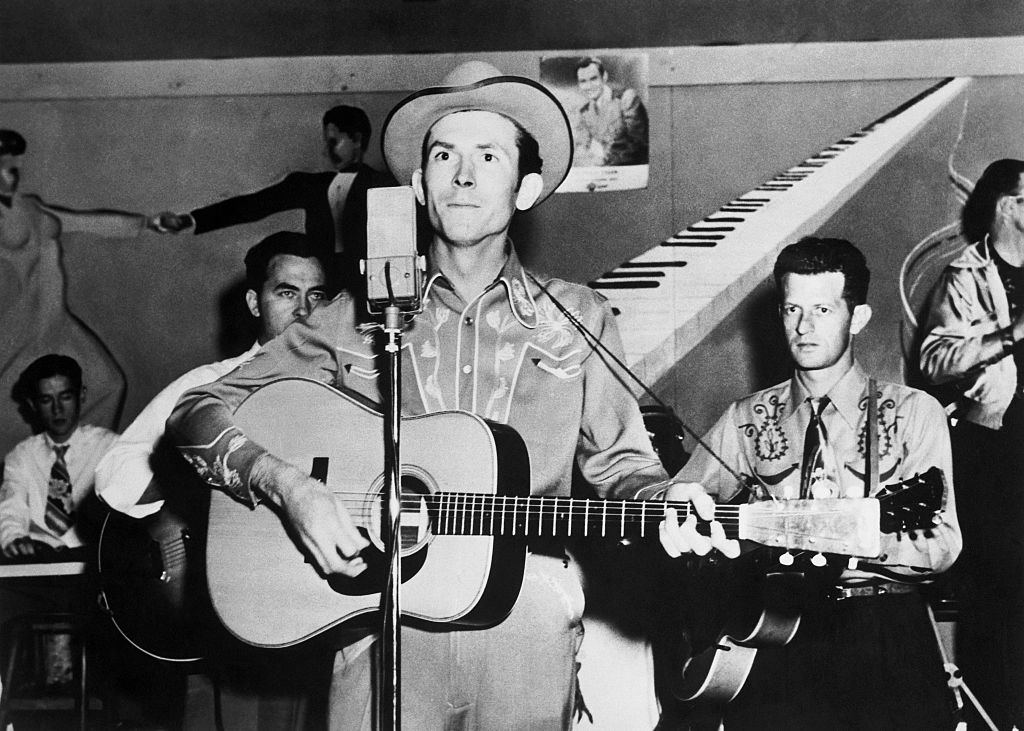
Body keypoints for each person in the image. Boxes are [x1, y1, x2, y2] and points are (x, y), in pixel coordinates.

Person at [167, 61, 729, 730]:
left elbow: (621, 466)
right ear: (417, 184)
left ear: (524, 189)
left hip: (527, 617)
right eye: (443, 155)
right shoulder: (353, 317)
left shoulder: (578, 318)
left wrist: (665, 501)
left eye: (488, 155)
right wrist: (286, 485)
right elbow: (195, 412)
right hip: (380, 626)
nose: (463, 175)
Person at [662, 237, 962, 729]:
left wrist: (854, 537)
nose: (803, 327)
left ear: (857, 318)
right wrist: (698, 546)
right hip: (775, 642)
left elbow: (942, 544)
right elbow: (680, 511)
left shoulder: (913, 413)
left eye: (822, 309)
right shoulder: (744, 419)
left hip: (886, 636)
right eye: (791, 309)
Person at [94, 231, 330, 731]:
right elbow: (115, 473)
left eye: (317, 296)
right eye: (287, 293)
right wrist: (200, 490)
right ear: (253, 301)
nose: (305, 312)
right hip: (230, 607)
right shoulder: (209, 386)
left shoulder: (348, 388)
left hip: (316, 606)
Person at [919, 158, 1024, 730]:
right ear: (1010, 206)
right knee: (1000, 596)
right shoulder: (966, 274)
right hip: (995, 451)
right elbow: (935, 360)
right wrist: (1013, 331)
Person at [0, 129, 161, 460]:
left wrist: (148, 223)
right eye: (0, 169)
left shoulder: (31, 207)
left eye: (13, 169)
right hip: (21, 328)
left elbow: (86, 222)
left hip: (57, 323)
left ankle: (75, 467)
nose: (9, 178)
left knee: (109, 385)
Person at [155, 105, 396, 290]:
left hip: (366, 288)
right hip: (317, 287)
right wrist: (189, 220)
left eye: (334, 141)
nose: (327, 150)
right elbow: (252, 205)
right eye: (326, 142)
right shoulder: (310, 185)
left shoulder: (384, 185)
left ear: (357, 140)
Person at [0, 354, 117, 557]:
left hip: (96, 560)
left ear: (81, 395)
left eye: (66, 396)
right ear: (32, 404)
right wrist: (14, 539)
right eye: (46, 400)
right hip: (39, 563)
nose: (57, 409)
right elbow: (11, 509)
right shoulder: (21, 456)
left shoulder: (110, 446)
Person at [572, 57, 649, 167]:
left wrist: (603, 161)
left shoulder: (627, 99)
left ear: (604, 77)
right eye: (583, 81)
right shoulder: (585, 112)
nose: (588, 86)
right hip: (606, 172)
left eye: (593, 79)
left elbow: (640, 145)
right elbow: (580, 148)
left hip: (632, 171)